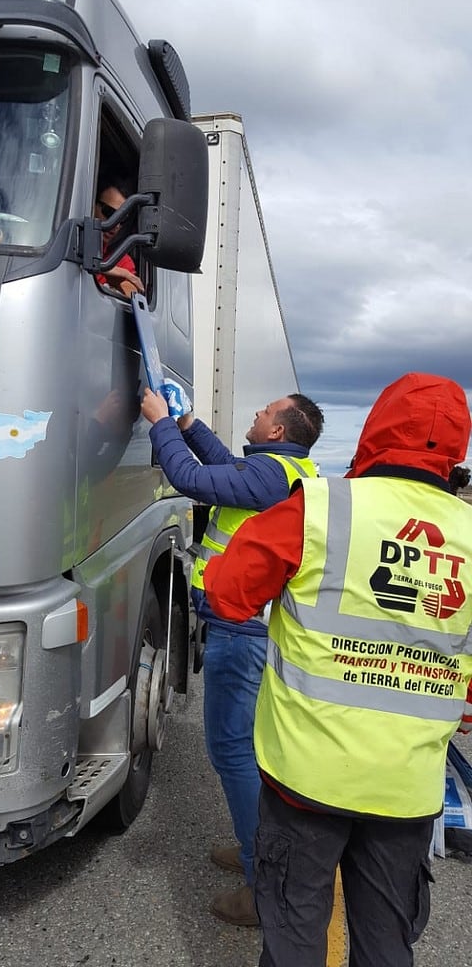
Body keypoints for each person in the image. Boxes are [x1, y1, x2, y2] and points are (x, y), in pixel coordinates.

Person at [204, 372, 472, 967]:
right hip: (405, 788)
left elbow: (226, 593)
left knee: (297, 931)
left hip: (305, 776)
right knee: (384, 942)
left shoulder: (321, 507)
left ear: (375, 430)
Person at [141, 386, 324, 926]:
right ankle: (259, 851)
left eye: (263, 412)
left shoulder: (270, 475)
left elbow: (194, 479)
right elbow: (223, 468)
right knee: (248, 751)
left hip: (240, 631)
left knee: (233, 753)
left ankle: (260, 877)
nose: (255, 412)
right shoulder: (287, 474)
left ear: (277, 432)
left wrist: (161, 425)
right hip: (252, 628)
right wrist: (192, 424)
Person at [94, 180, 145, 297]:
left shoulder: (121, 261)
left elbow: (132, 295)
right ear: (92, 205)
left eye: (122, 219)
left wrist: (113, 276)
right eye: (109, 212)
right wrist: (100, 268)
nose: (116, 225)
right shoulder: (66, 242)